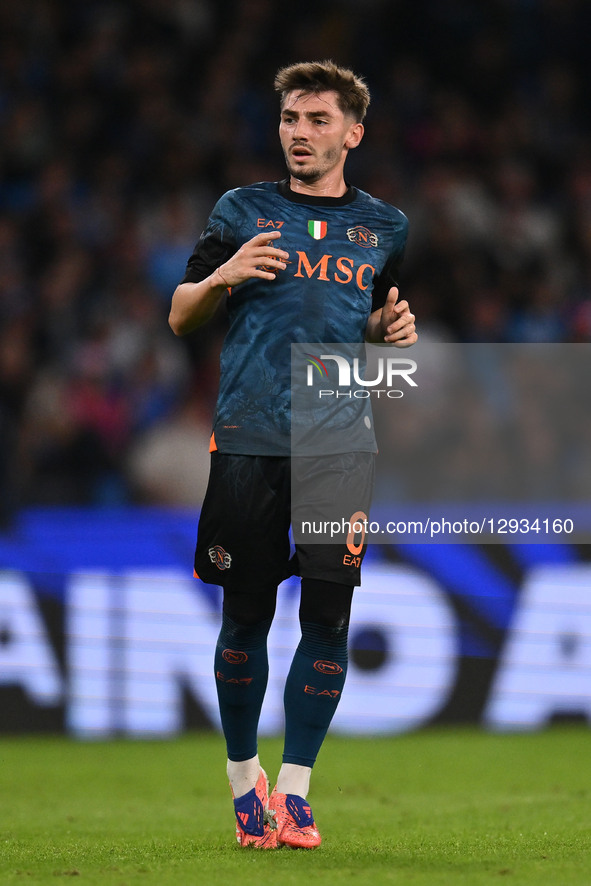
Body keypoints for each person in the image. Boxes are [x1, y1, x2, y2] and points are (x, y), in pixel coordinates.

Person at [169, 60, 417, 850]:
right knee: (244, 616)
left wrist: (383, 334)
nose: (299, 134)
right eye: (289, 119)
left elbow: (362, 320)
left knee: (328, 617)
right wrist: (225, 276)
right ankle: (246, 787)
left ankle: (296, 792)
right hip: (249, 436)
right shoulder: (241, 211)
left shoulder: (385, 227)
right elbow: (179, 315)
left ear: (352, 132)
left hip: (338, 437)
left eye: (316, 120)